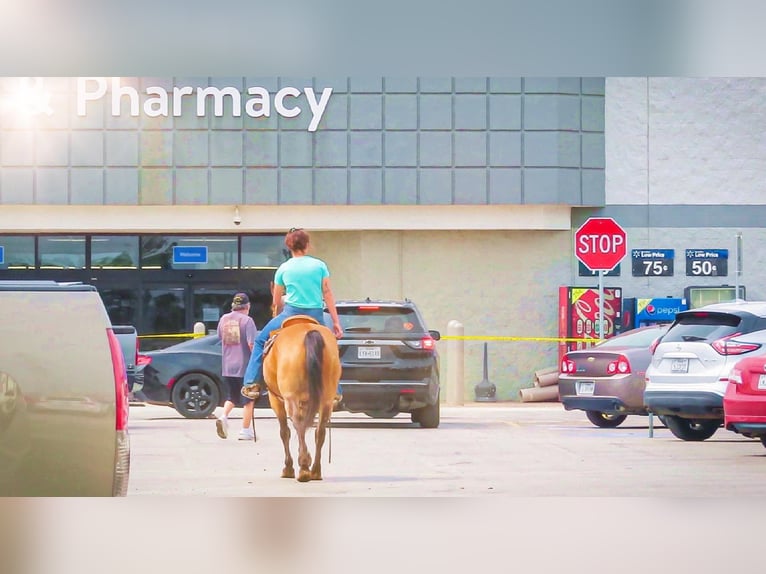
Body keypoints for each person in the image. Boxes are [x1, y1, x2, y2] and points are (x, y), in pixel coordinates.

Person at [242, 228, 343, 401]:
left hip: (290, 313)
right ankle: (336, 390)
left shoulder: (283, 268)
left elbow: (276, 300)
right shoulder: (319, 265)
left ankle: (251, 383)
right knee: (330, 347)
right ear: (307, 245)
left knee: (260, 341)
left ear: (289, 247)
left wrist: (277, 312)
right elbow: (327, 293)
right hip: (316, 314)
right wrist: (335, 322)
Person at [215, 292, 258, 441]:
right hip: (244, 367)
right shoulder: (248, 321)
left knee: (232, 396)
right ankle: (245, 431)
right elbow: (252, 344)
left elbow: (220, 338)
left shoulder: (223, 319)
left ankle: (224, 416)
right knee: (248, 399)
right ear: (248, 306)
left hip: (227, 365)